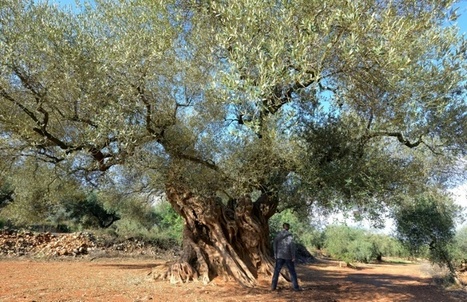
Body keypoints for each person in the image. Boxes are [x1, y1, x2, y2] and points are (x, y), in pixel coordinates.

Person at [271, 222, 301, 291]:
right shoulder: (289, 236)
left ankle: (273, 287)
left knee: (276, 271)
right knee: (292, 271)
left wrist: (275, 254)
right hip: (288, 256)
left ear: (283, 227)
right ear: (288, 227)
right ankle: (296, 287)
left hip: (279, 255)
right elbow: (292, 246)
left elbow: (274, 244)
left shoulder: (278, 235)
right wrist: (293, 256)